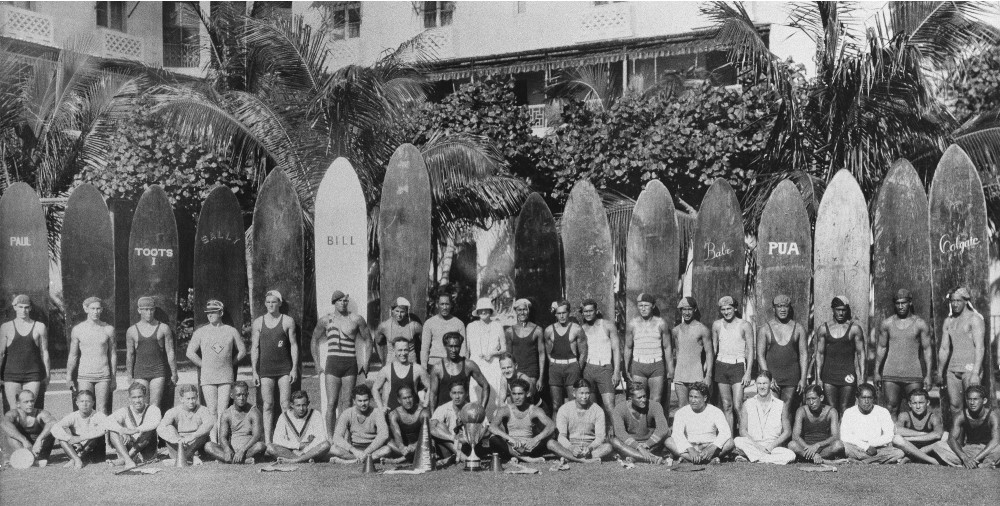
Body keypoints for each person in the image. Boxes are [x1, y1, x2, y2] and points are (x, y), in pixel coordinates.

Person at [311, 290, 373, 439]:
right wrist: (316, 363)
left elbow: (369, 340)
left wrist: (366, 362)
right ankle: (331, 438)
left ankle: (345, 437)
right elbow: (314, 340)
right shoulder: (326, 320)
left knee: (346, 404)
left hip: (349, 364)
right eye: (340, 301)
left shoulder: (356, 319)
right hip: (332, 364)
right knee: (331, 403)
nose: (343, 303)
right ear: (334, 302)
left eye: (345, 301)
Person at [186, 299, 246, 439]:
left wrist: (231, 363)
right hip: (208, 377)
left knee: (223, 410)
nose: (210, 315)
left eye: (213, 312)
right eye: (208, 313)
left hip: (225, 375)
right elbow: (190, 352)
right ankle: (213, 441)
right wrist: (204, 365)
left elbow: (242, 350)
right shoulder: (201, 332)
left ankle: (222, 440)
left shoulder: (231, 331)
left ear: (221, 312)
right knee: (211, 410)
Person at [874, 289, 933, 418]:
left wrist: (928, 374)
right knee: (891, 407)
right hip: (891, 373)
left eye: (904, 303)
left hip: (913, 373)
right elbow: (881, 348)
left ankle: (913, 436)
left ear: (910, 303)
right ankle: (892, 437)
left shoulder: (920, 324)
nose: (900, 306)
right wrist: (877, 371)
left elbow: (927, 349)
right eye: (898, 303)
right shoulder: (887, 323)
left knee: (916, 409)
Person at [251, 290, 298, 445]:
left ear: (279, 303)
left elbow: (293, 345)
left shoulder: (287, 321)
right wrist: (254, 372)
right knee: (268, 405)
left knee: (285, 404)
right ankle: (268, 441)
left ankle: (287, 439)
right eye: (268, 302)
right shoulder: (258, 322)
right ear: (265, 304)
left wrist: (294, 368)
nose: (271, 305)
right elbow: (255, 348)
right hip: (265, 370)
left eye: (274, 302)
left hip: (284, 368)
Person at [489, 378, 576, 463]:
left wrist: (535, 439)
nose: (516, 397)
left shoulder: (534, 410)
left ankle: (579, 459)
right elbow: (492, 427)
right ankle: (525, 459)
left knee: (551, 442)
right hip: (511, 447)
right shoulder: (505, 410)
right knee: (493, 439)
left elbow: (551, 425)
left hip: (530, 448)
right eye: (514, 394)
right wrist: (511, 439)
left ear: (527, 394)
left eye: (520, 394)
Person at [937, 287, 985, 418]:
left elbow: (980, 347)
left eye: (958, 301)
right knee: (955, 406)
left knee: (973, 405)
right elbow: (944, 348)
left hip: (970, 368)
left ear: (966, 301)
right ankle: (958, 437)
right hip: (953, 369)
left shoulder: (974, 319)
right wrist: (940, 372)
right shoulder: (949, 321)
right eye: (952, 301)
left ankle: (975, 437)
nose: (955, 304)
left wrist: (975, 372)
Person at [815, 296, 866, 416]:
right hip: (829, 375)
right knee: (831, 409)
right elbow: (819, 354)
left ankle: (844, 435)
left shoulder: (854, 329)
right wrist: (818, 377)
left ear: (847, 310)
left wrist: (862, 377)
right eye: (838, 309)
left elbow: (861, 354)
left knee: (845, 409)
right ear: (832, 310)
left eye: (843, 310)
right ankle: (833, 434)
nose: (841, 313)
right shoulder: (823, 329)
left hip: (847, 375)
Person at [125, 296, 177, 411]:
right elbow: (130, 354)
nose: (149, 313)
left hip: (158, 372)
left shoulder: (163, 328)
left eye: (151, 309)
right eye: (145, 309)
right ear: (139, 310)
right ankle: (143, 429)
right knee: (141, 405)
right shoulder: (132, 330)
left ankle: (154, 429)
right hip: (140, 372)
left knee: (155, 406)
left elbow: (170, 352)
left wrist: (174, 373)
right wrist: (129, 375)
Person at [929, 385, 1000, 468]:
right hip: (969, 449)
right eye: (969, 399)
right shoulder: (960, 415)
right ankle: (983, 464)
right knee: (938, 445)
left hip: (987, 449)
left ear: (984, 401)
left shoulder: (993, 416)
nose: (972, 403)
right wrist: (964, 457)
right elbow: (952, 439)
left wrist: (975, 459)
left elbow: (995, 441)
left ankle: (976, 463)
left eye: (975, 399)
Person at [66, 297, 116, 414]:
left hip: (103, 375)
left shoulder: (108, 329)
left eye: (98, 308)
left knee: (102, 409)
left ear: (102, 309)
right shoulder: (78, 330)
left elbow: (113, 354)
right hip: (84, 375)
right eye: (92, 308)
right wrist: (68, 376)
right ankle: (86, 432)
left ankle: (102, 433)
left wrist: (113, 377)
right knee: (85, 409)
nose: (96, 312)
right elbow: (73, 355)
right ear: (86, 309)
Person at [0, 294, 50, 411]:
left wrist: (47, 374)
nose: (24, 310)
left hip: (33, 374)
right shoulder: (6, 327)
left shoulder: (39, 326)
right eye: (21, 307)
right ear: (15, 307)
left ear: (31, 308)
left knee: (29, 409)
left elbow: (45, 352)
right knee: (14, 410)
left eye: (26, 307)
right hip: (11, 374)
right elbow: (1, 353)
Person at [625, 294, 672, 415]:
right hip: (638, 365)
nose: (643, 308)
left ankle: (653, 426)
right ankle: (641, 427)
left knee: (656, 400)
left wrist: (670, 368)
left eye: (646, 305)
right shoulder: (632, 324)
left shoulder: (661, 323)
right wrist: (625, 368)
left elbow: (667, 347)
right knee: (638, 398)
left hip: (656, 365)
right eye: (640, 306)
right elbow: (628, 347)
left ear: (653, 306)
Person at [711, 295, 754, 432]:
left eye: (729, 308)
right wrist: (710, 369)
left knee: (738, 404)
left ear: (735, 308)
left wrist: (748, 373)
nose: (726, 312)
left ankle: (744, 436)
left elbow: (750, 350)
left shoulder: (745, 325)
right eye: (723, 309)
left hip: (738, 365)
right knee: (726, 405)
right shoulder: (717, 325)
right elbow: (713, 348)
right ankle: (729, 439)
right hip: (721, 365)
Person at [733, 371, 795, 465]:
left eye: (765, 383)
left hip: (772, 447)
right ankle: (764, 458)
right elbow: (742, 431)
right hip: (753, 444)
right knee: (737, 441)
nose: (762, 387)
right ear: (756, 385)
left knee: (790, 455)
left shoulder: (781, 405)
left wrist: (771, 446)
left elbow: (787, 431)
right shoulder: (748, 404)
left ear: (770, 384)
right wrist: (757, 446)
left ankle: (753, 457)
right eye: (759, 383)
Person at [756, 294, 808, 403]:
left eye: (785, 306)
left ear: (789, 308)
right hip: (772, 374)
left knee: (786, 408)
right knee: (773, 406)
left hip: (791, 375)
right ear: (774, 309)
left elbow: (804, 355)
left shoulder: (798, 328)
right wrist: (767, 377)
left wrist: (803, 379)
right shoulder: (765, 329)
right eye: (779, 306)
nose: (783, 309)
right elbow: (760, 355)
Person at [668, 382, 734, 464]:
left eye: (696, 397)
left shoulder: (715, 411)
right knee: (668, 441)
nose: (692, 400)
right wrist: (690, 449)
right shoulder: (681, 412)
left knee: (730, 443)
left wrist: (712, 447)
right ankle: (705, 459)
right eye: (690, 396)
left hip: (709, 445)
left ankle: (689, 459)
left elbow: (725, 432)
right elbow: (677, 434)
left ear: (705, 398)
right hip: (690, 447)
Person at [839, 383, 904, 464]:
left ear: (874, 399)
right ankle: (874, 461)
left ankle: (863, 462)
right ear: (857, 398)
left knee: (899, 453)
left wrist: (871, 445)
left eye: (869, 398)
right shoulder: (849, 412)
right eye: (863, 398)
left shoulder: (882, 411)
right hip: (855, 447)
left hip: (876, 448)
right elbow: (845, 436)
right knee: (842, 446)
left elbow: (889, 435)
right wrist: (865, 447)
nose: (866, 401)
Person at [204, 381, 266, 464]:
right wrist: (227, 449)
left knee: (260, 446)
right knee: (208, 446)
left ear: (247, 394)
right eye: (238, 395)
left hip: (248, 450)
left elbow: (256, 436)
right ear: (232, 395)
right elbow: (222, 437)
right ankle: (242, 461)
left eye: (244, 394)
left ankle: (230, 460)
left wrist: (242, 450)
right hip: (232, 450)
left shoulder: (254, 412)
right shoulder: (227, 414)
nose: (241, 398)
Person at [553, 379, 613, 462]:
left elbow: (600, 437)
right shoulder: (564, 409)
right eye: (581, 393)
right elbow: (561, 436)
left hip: (590, 448)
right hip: (570, 446)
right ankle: (583, 459)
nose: (584, 397)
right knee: (551, 443)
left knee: (608, 447)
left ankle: (570, 458)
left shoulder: (597, 410)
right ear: (574, 393)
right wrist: (571, 447)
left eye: (587, 393)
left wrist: (590, 448)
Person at [610, 382, 670, 464]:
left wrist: (646, 445)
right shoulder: (620, 409)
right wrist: (638, 447)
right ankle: (652, 458)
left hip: (651, 443)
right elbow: (620, 432)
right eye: (639, 398)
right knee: (614, 441)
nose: (644, 400)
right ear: (630, 399)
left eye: (644, 396)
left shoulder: (655, 405)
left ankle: (634, 456)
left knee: (666, 435)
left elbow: (662, 428)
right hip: (631, 444)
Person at [422, 292, 468, 399]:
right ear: (437, 305)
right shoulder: (429, 323)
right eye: (442, 304)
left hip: (453, 366)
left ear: (451, 305)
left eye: (447, 304)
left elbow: (463, 349)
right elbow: (424, 349)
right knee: (433, 396)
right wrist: (424, 368)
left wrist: (462, 368)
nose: (444, 307)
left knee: (453, 396)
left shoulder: (458, 323)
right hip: (434, 364)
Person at [330, 385, 391, 463]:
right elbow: (337, 436)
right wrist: (354, 450)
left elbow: (384, 434)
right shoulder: (347, 413)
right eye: (360, 401)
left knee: (387, 450)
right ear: (354, 401)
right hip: (355, 449)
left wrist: (367, 451)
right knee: (333, 449)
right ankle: (364, 460)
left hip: (372, 448)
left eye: (365, 400)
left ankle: (351, 461)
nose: (363, 404)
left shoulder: (377, 413)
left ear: (370, 400)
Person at [429, 332, 490, 411]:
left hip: (464, 413)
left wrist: (482, 410)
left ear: (461, 346)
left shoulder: (469, 365)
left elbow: (485, 385)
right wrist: (433, 417)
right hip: (444, 413)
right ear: (445, 346)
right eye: (450, 346)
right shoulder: (437, 368)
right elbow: (433, 395)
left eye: (456, 346)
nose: (453, 350)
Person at [105, 382, 161, 469]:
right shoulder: (124, 411)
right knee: (113, 431)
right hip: (128, 446)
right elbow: (107, 421)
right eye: (134, 397)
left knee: (149, 430)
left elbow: (154, 422)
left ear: (145, 396)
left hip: (146, 450)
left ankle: (125, 460)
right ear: (129, 398)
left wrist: (136, 430)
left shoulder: (153, 409)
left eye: (140, 397)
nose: (137, 401)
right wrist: (123, 430)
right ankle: (128, 460)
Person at [157, 383, 215, 465]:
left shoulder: (203, 410)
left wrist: (193, 436)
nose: (191, 401)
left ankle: (185, 457)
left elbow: (209, 424)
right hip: (179, 443)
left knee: (202, 432)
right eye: (188, 399)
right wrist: (175, 439)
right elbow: (160, 428)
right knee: (169, 427)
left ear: (197, 397)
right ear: (181, 399)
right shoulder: (173, 411)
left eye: (193, 398)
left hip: (196, 442)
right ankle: (189, 457)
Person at [430, 381, 489, 462]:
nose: (457, 396)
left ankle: (457, 457)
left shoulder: (473, 408)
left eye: (460, 393)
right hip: (449, 445)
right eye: (454, 393)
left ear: (466, 394)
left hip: (467, 445)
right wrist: (453, 438)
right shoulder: (443, 408)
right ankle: (461, 457)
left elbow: (486, 428)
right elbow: (431, 428)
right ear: (450, 394)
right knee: (440, 426)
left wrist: (468, 438)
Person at [466, 298, 507, 412]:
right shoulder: (471, 326)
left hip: (493, 365)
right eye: (481, 310)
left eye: (486, 310)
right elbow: (467, 350)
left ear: (490, 311)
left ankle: (493, 424)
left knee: (494, 396)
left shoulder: (497, 325)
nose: (483, 312)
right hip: (476, 364)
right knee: (476, 395)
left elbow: (504, 348)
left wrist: (493, 353)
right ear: (477, 312)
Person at [671, 297, 713, 409]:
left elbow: (709, 353)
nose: (686, 312)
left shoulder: (702, 329)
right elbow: (678, 351)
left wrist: (708, 374)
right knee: (682, 406)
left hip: (696, 374)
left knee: (697, 406)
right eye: (684, 309)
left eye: (689, 309)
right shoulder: (676, 330)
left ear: (694, 310)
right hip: (680, 374)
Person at [544, 300, 586, 411]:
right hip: (555, 368)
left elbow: (583, 352)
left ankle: (573, 428)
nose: (561, 316)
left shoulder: (577, 329)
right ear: (555, 314)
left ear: (568, 313)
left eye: (564, 313)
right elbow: (548, 352)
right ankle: (557, 429)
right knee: (556, 405)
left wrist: (577, 367)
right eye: (559, 313)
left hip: (572, 367)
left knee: (573, 404)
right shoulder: (549, 330)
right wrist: (553, 365)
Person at [267, 390, 331, 463]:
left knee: (326, 445)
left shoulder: (315, 414)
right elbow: (277, 440)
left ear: (308, 404)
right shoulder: (283, 416)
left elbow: (321, 438)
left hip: (309, 450)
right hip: (292, 451)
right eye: (298, 405)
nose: (301, 409)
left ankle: (295, 460)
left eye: (304, 405)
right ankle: (306, 460)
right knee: (270, 448)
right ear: (291, 405)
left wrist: (304, 451)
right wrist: (298, 446)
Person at [581, 299, 621, 412]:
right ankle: (597, 430)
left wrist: (617, 372)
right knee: (592, 408)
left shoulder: (607, 325)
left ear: (596, 311)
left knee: (609, 405)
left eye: (590, 311)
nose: (588, 314)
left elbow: (616, 349)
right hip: (588, 369)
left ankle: (619, 430)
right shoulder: (582, 329)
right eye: (585, 311)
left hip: (604, 368)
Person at [51, 389, 108, 469]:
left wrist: (80, 438)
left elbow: (105, 428)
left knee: (96, 436)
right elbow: (55, 428)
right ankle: (77, 459)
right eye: (82, 401)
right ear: (77, 403)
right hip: (77, 447)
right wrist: (70, 438)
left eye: (88, 401)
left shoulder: (98, 415)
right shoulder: (73, 416)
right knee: (62, 439)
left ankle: (75, 458)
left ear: (93, 403)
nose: (84, 404)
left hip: (94, 450)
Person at [788, 385, 844, 463]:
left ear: (821, 398)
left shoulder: (831, 411)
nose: (811, 402)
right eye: (808, 399)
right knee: (792, 445)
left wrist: (818, 445)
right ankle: (820, 459)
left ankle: (810, 458)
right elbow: (795, 436)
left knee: (839, 445)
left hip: (823, 449)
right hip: (805, 448)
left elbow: (835, 436)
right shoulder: (801, 411)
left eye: (814, 399)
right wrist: (809, 449)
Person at [372, 337, 431, 410]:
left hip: (413, 413)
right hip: (393, 412)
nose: (403, 353)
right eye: (400, 350)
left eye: (405, 350)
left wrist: (425, 405)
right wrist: (381, 407)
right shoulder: (386, 370)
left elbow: (430, 387)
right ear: (394, 351)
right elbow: (375, 388)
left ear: (409, 350)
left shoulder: (418, 369)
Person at [0, 390, 55, 466]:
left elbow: (53, 422)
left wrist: (39, 439)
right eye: (26, 402)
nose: (30, 404)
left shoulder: (41, 413)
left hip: (37, 448)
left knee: (52, 430)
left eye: (32, 401)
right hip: (21, 446)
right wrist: (24, 440)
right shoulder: (13, 413)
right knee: (10, 434)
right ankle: (26, 458)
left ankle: (36, 459)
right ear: (18, 404)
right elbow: (4, 423)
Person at [892, 388, 945, 465]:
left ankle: (910, 458)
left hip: (928, 448)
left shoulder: (933, 417)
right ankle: (931, 460)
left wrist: (910, 438)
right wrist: (924, 434)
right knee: (896, 439)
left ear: (927, 403)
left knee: (945, 435)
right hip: (909, 447)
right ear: (909, 404)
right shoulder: (904, 415)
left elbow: (937, 434)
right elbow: (897, 430)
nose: (917, 406)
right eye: (914, 403)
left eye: (921, 403)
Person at [504, 298, 545, 394]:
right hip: (515, 372)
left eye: (524, 310)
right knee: (516, 399)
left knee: (529, 398)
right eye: (519, 310)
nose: (522, 313)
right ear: (515, 311)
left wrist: (541, 378)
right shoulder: (509, 331)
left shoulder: (537, 330)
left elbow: (542, 354)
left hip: (531, 372)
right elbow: (508, 356)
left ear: (528, 311)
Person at [387, 386, 431, 463]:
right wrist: (402, 448)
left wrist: (414, 445)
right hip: (404, 448)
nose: (408, 401)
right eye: (404, 398)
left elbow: (427, 435)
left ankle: (402, 459)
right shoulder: (394, 414)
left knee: (431, 440)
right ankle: (410, 457)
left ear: (413, 397)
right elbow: (397, 435)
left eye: (410, 397)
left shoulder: (423, 412)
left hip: (420, 444)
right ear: (399, 400)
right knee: (389, 442)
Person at [375, 297, 422, 365]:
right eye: (397, 311)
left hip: (410, 363)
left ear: (406, 312)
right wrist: (382, 359)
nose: (399, 315)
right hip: (392, 364)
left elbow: (426, 343)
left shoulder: (414, 326)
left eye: (402, 312)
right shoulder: (385, 326)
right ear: (392, 311)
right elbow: (377, 342)